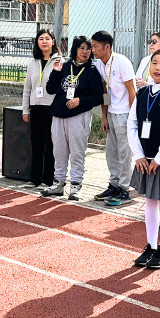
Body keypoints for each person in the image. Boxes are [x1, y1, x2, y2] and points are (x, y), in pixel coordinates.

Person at [124, 48, 160, 266]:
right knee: (149, 201)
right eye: (154, 63)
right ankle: (150, 245)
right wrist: (139, 155)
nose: (157, 68)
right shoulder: (142, 93)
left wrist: (159, 158)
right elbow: (132, 124)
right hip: (144, 158)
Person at [43, 36, 104, 200]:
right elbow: (50, 89)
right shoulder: (65, 66)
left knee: (77, 153)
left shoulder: (92, 71)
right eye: (81, 48)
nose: (85, 52)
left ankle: (76, 186)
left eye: (88, 49)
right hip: (58, 115)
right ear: (75, 49)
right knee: (59, 152)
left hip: (79, 116)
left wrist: (80, 101)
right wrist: (55, 72)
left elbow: (99, 97)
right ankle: (58, 183)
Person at [90, 31, 137, 204]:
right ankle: (114, 184)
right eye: (92, 46)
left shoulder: (122, 62)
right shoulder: (99, 64)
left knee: (124, 152)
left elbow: (132, 92)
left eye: (95, 46)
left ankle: (124, 189)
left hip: (124, 113)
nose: (93, 50)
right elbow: (105, 92)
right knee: (111, 151)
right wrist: (104, 116)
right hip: (111, 112)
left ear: (107, 47)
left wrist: (132, 118)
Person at [21, 29, 63, 188]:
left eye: (47, 38)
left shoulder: (60, 61)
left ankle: (48, 179)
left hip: (51, 109)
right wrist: (26, 110)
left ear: (53, 41)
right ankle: (35, 178)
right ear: (37, 42)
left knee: (50, 145)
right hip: (36, 108)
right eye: (41, 39)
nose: (44, 41)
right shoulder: (33, 62)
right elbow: (27, 88)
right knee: (36, 143)